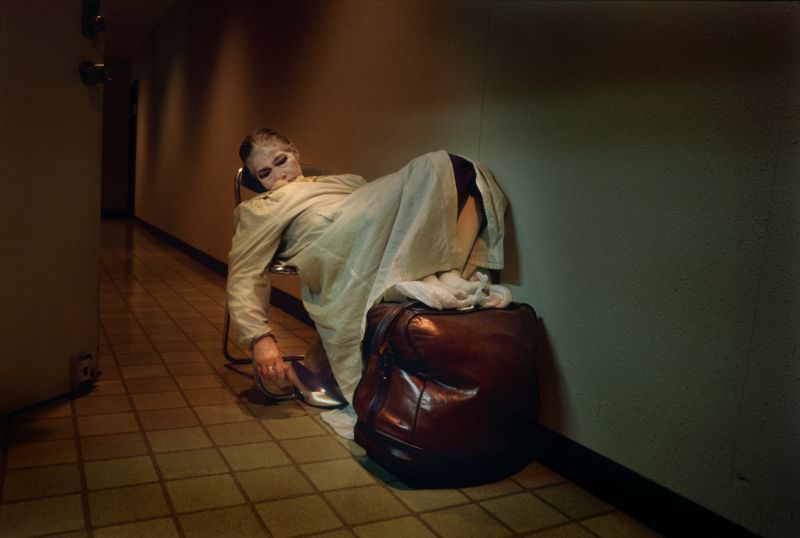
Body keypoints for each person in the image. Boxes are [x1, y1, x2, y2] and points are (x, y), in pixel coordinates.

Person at [226, 128, 508, 435]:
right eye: (265, 173)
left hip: (368, 225)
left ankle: (448, 270)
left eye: (281, 161)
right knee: (434, 166)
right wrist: (259, 338)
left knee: (468, 173)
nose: (278, 175)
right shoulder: (259, 208)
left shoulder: (343, 182)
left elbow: (384, 204)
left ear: (295, 152)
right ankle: (444, 272)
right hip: (334, 240)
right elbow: (243, 272)